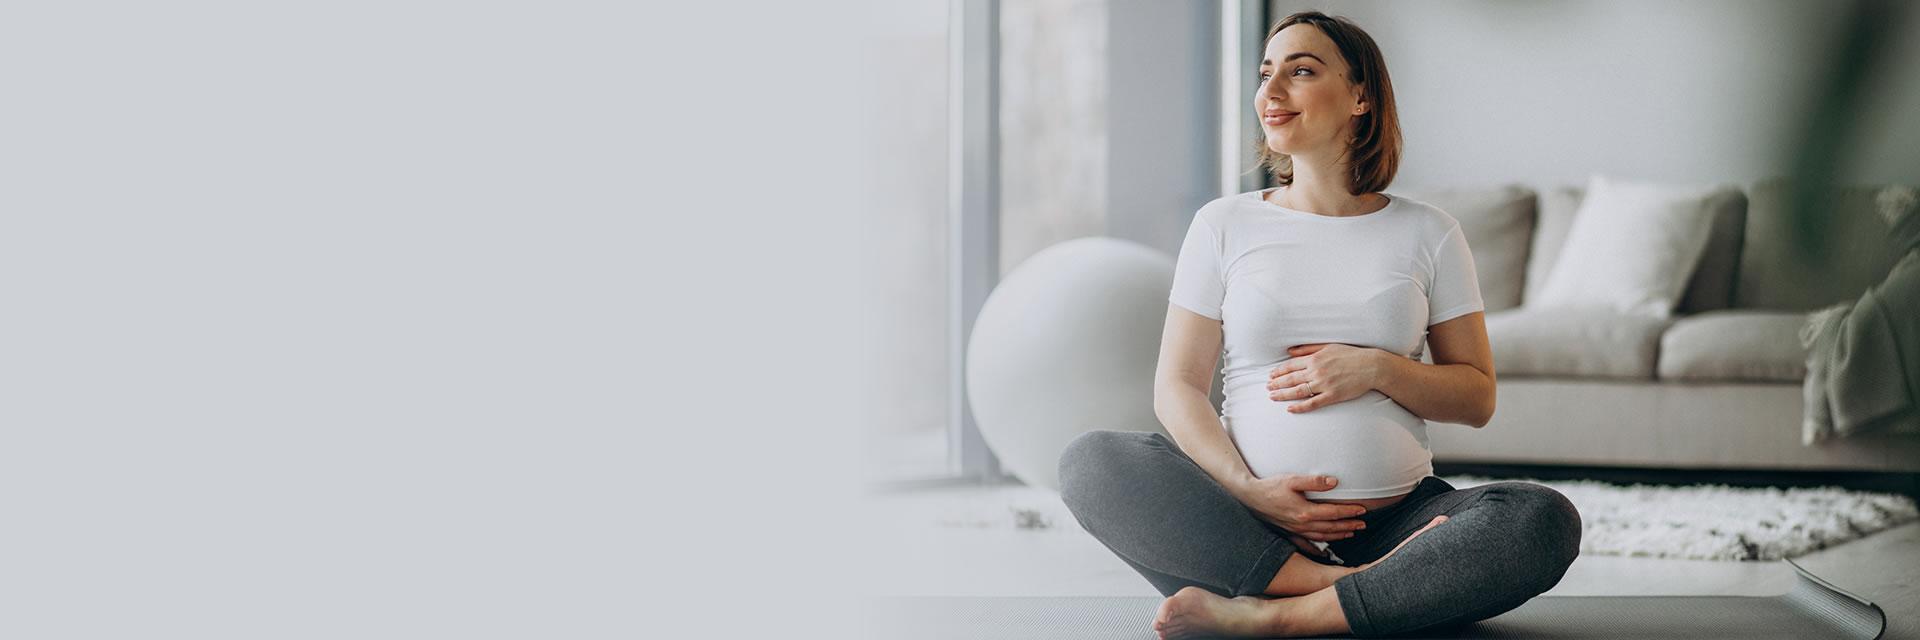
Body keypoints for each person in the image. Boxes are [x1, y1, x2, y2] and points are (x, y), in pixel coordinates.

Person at [1056, 11, 1582, 639]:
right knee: (1091, 461)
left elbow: (1476, 397)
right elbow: (1177, 385)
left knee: (1541, 518)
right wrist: (1248, 490)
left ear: (1362, 96)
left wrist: (1378, 368)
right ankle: (1348, 593)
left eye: (1301, 71)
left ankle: (1276, 618)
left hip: (1398, 528)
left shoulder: (1429, 232)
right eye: (1265, 73)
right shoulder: (1222, 225)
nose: (1270, 92)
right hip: (1246, 533)